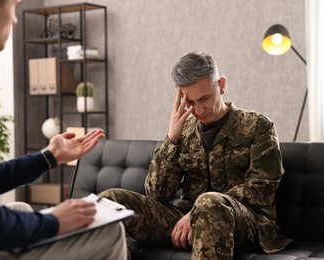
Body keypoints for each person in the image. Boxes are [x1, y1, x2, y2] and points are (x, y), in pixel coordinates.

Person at [0, 0, 126, 259]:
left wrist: (48, 156)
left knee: (22, 209)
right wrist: (55, 221)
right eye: (14, 6)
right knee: (109, 231)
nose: (15, 19)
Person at [99, 51, 293, 259]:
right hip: (185, 221)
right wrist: (172, 139)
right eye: (190, 102)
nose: (199, 110)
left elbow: (261, 189)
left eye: (205, 98)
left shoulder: (258, 126)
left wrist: (196, 213)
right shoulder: (183, 131)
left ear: (221, 85)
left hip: (247, 223)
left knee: (209, 204)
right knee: (109, 202)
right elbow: (157, 194)